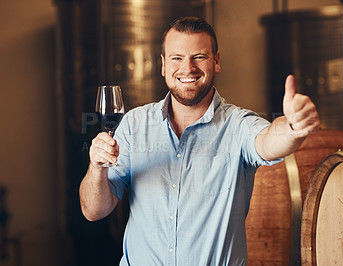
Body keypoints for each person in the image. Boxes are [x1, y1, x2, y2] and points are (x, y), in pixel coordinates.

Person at [79, 17, 320, 265]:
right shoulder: (134, 124)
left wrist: (292, 127)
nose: (188, 68)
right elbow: (93, 211)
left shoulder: (237, 125)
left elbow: (268, 142)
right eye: (177, 58)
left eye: (199, 57)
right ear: (163, 65)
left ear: (216, 62)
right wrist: (97, 168)